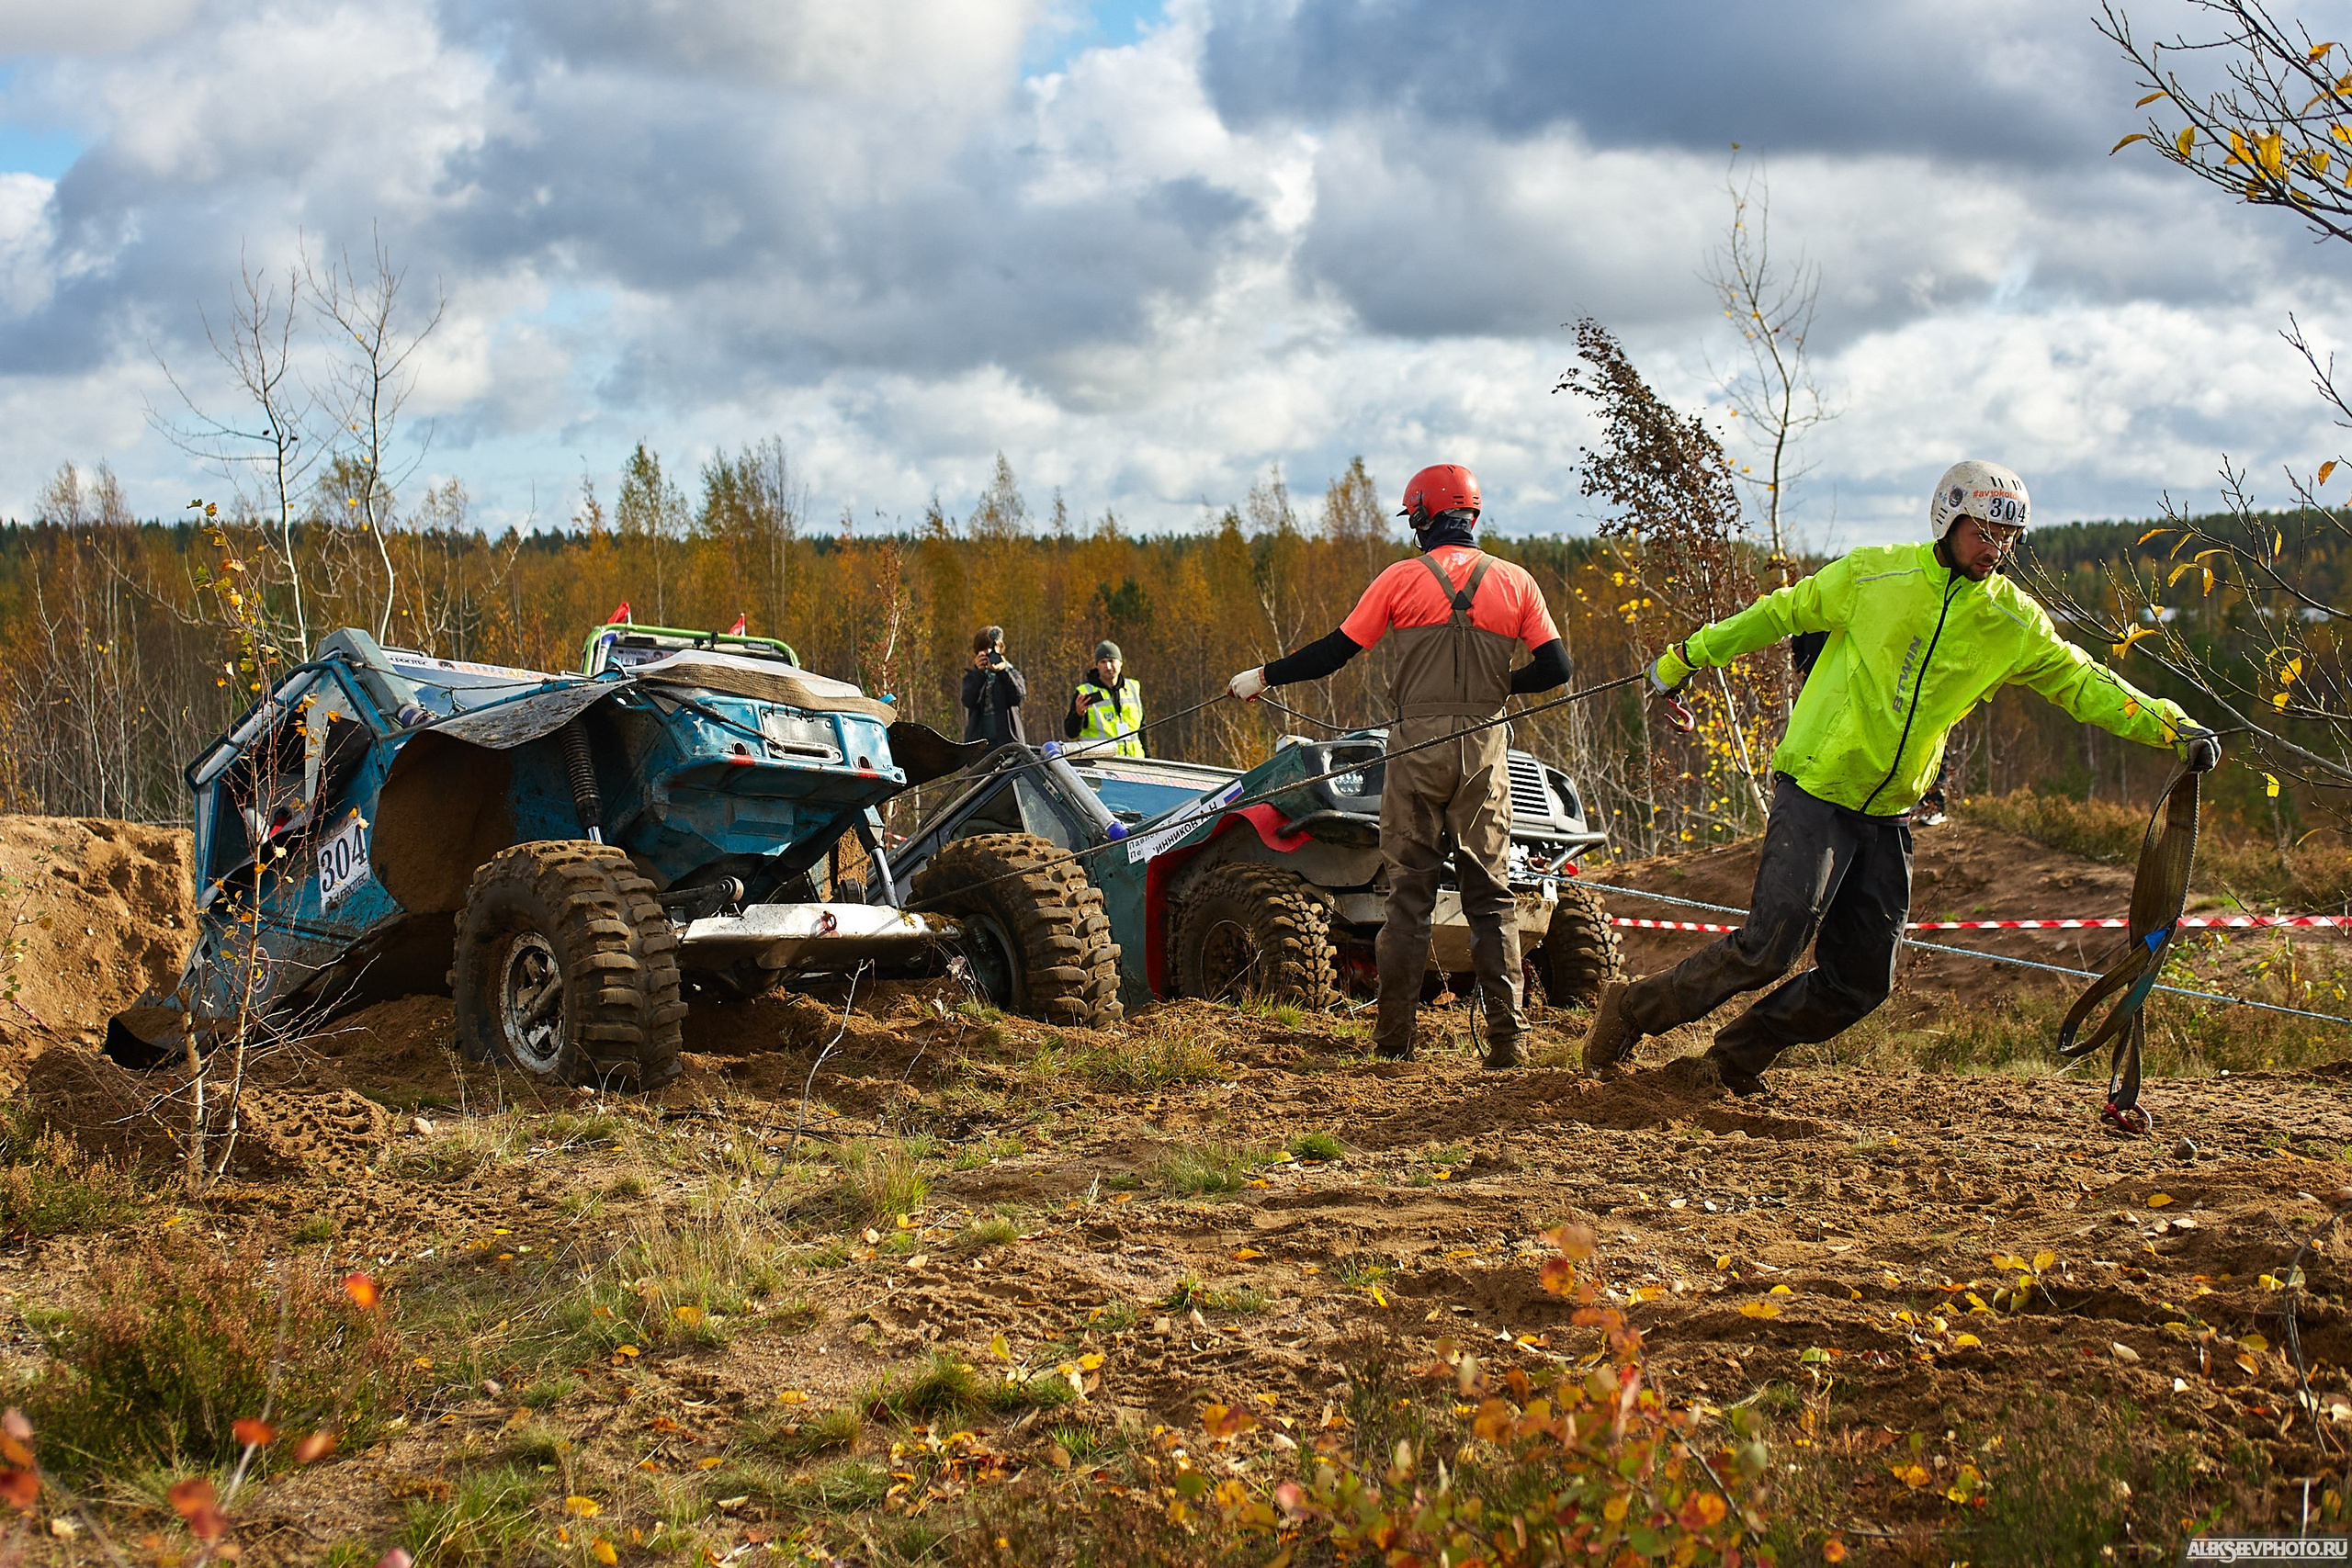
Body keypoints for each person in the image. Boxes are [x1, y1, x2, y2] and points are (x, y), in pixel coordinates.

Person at [1581, 459, 2220, 1094]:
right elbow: (1779, 612)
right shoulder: (1874, 572)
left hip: (1889, 812)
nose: (1995, 550)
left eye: (2009, 539)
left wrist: (2175, 727)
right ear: (1948, 518)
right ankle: (1633, 1010)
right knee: (1768, 949)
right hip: (1816, 789)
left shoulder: (2013, 621)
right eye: (1983, 533)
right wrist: (1685, 658)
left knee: (1862, 981)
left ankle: (1728, 1061)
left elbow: (2086, 682)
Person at [1226, 463, 1571, 1069]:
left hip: (1414, 750)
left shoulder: (1399, 579)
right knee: (1491, 898)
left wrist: (1262, 676)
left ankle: (1393, 1044)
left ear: (1421, 515)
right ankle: (1509, 1044)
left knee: (1407, 898)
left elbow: (1335, 652)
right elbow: (1557, 668)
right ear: (1473, 515)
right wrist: (1499, 686)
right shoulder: (1517, 582)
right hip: (1485, 751)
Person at [1065, 640, 1145, 757]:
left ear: (1120, 662)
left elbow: (1142, 728)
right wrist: (1078, 714)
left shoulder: (1133, 687)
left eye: (1111, 661)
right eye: (1103, 662)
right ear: (1097, 665)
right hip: (1101, 764)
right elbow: (1071, 733)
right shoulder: (1084, 692)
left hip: (1134, 764)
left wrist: (1148, 759)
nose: (1108, 666)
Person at [961, 626, 1027, 749]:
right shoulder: (973, 677)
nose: (988, 654)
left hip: (1009, 744)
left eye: (991, 649)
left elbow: (1018, 698)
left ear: (1000, 649)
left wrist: (1003, 672)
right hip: (980, 747)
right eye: (983, 650)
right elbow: (968, 700)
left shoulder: (1012, 674)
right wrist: (979, 674)